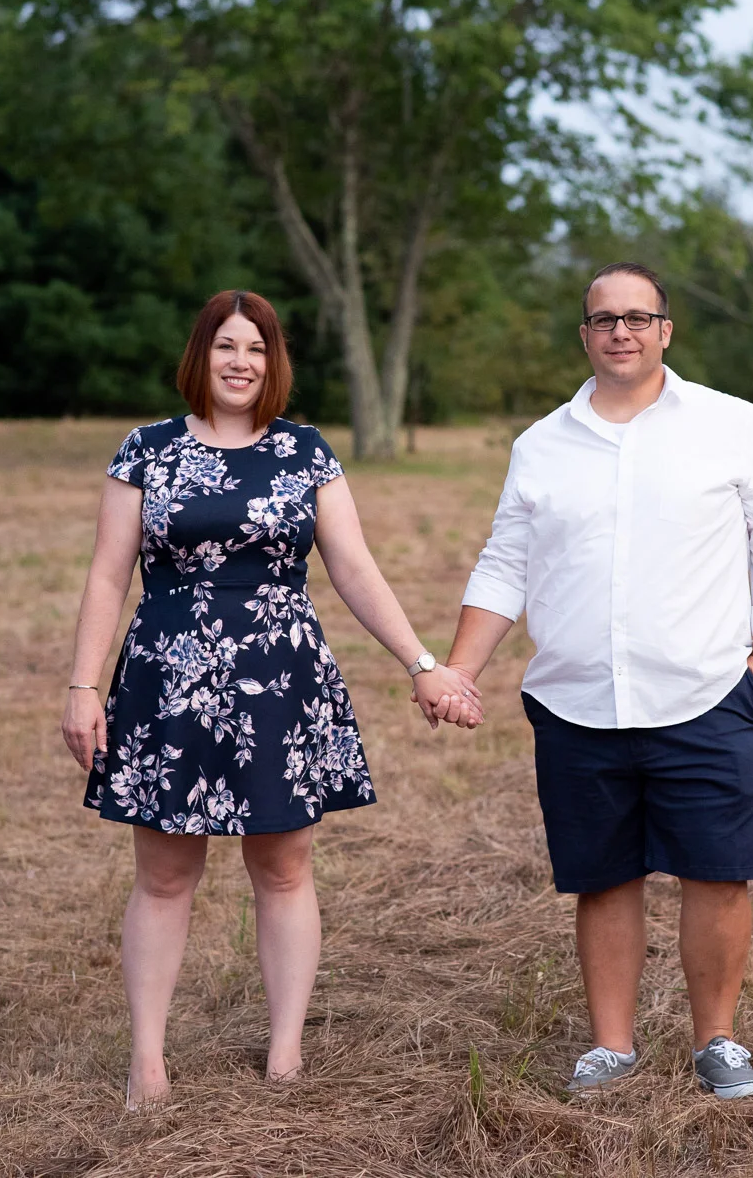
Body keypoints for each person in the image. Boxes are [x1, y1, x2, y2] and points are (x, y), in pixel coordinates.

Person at [61, 289, 482, 1109]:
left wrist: (422, 662)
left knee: (284, 868)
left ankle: (284, 1053)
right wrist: (83, 686)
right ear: (200, 356)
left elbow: (353, 568)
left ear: (273, 362)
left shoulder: (304, 452)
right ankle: (146, 1059)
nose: (240, 362)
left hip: (279, 684)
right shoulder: (144, 451)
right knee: (163, 872)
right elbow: (108, 574)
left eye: (255, 348)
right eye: (225, 346)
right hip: (167, 677)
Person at [444, 262, 753, 1099]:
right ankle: (610, 1046)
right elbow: (506, 561)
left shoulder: (728, 423)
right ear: (584, 334)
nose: (621, 331)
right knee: (602, 876)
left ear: (664, 331)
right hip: (575, 699)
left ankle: (716, 1041)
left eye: (637, 317)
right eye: (604, 319)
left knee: (718, 871)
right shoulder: (542, 443)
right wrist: (460, 667)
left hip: (708, 692)